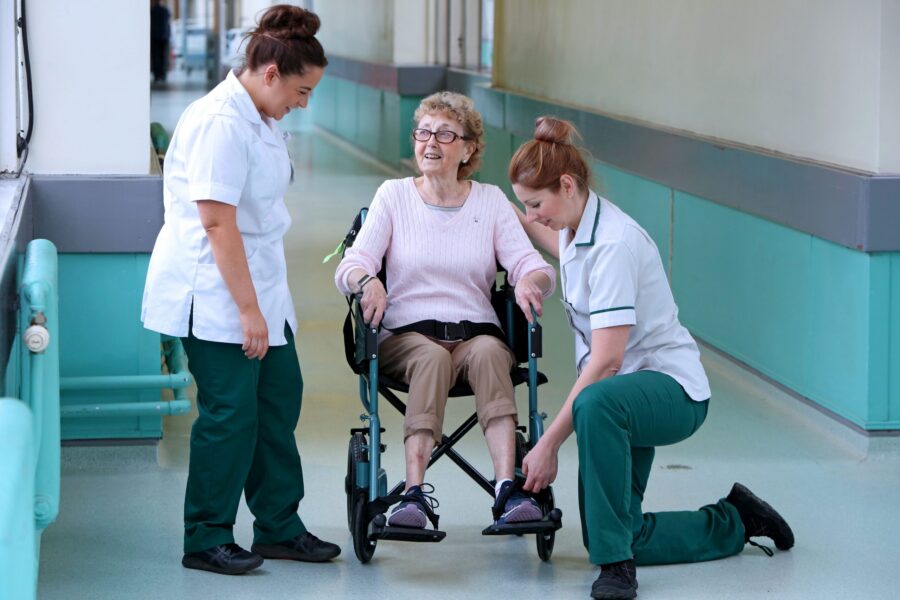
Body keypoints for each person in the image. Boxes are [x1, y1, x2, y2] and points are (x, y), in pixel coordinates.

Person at [508, 117, 794, 600]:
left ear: (568, 185)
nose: (534, 216)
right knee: (620, 527)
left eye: (536, 205)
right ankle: (737, 518)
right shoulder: (579, 229)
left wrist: (549, 444)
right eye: (525, 207)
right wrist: (500, 214)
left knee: (593, 405)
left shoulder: (616, 244)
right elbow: (558, 246)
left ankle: (617, 568)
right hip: (627, 397)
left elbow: (606, 363)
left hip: (670, 391)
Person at [142, 5, 340, 576]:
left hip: (261, 285)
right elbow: (217, 223)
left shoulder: (261, 116)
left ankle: (278, 525)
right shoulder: (219, 122)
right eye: (302, 91)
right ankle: (206, 535)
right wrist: (249, 311)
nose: (304, 104)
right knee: (231, 412)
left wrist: (263, 306)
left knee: (278, 400)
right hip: (216, 290)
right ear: (271, 73)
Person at [335, 92, 556, 529]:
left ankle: (507, 491)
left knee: (494, 353)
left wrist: (532, 280)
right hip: (407, 338)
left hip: (475, 337)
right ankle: (413, 495)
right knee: (432, 357)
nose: (430, 142)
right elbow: (351, 265)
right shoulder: (393, 196)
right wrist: (368, 280)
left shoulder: (490, 202)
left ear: (469, 148)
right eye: (423, 132)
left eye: (445, 134)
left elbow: (534, 265)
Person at [150, 0, 171, 84]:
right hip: (163, 37)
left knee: (156, 56)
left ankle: (156, 75)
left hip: (154, 37)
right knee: (163, 56)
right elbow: (167, 23)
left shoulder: (152, 11)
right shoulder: (165, 11)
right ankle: (163, 74)